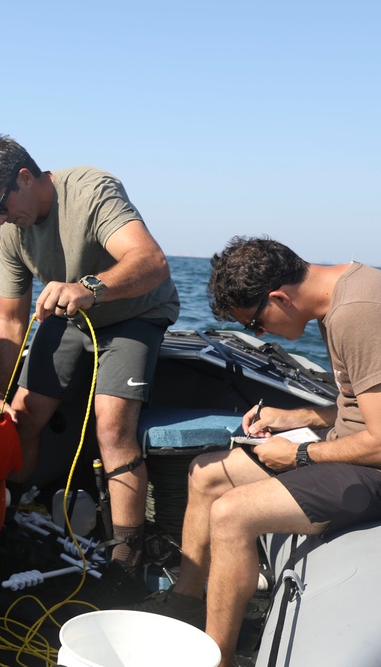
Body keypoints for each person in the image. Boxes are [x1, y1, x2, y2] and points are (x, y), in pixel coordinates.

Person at [136, 236, 381, 666]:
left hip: (372, 467)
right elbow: (358, 406)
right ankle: (188, 601)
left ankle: (218, 660)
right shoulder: (340, 296)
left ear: (278, 297)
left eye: (254, 324)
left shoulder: (355, 314)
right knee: (205, 473)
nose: (259, 334)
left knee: (233, 514)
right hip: (351, 447)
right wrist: (297, 416)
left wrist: (300, 457)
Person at [0, 132, 180, 579]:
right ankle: (16, 515)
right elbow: (11, 319)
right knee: (22, 413)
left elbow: (152, 262)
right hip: (68, 315)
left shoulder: (93, 190)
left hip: (135, 313)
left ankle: (124, 562)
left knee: (111, 426)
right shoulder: (11, 231)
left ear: (25, 177)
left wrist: (91, 288)